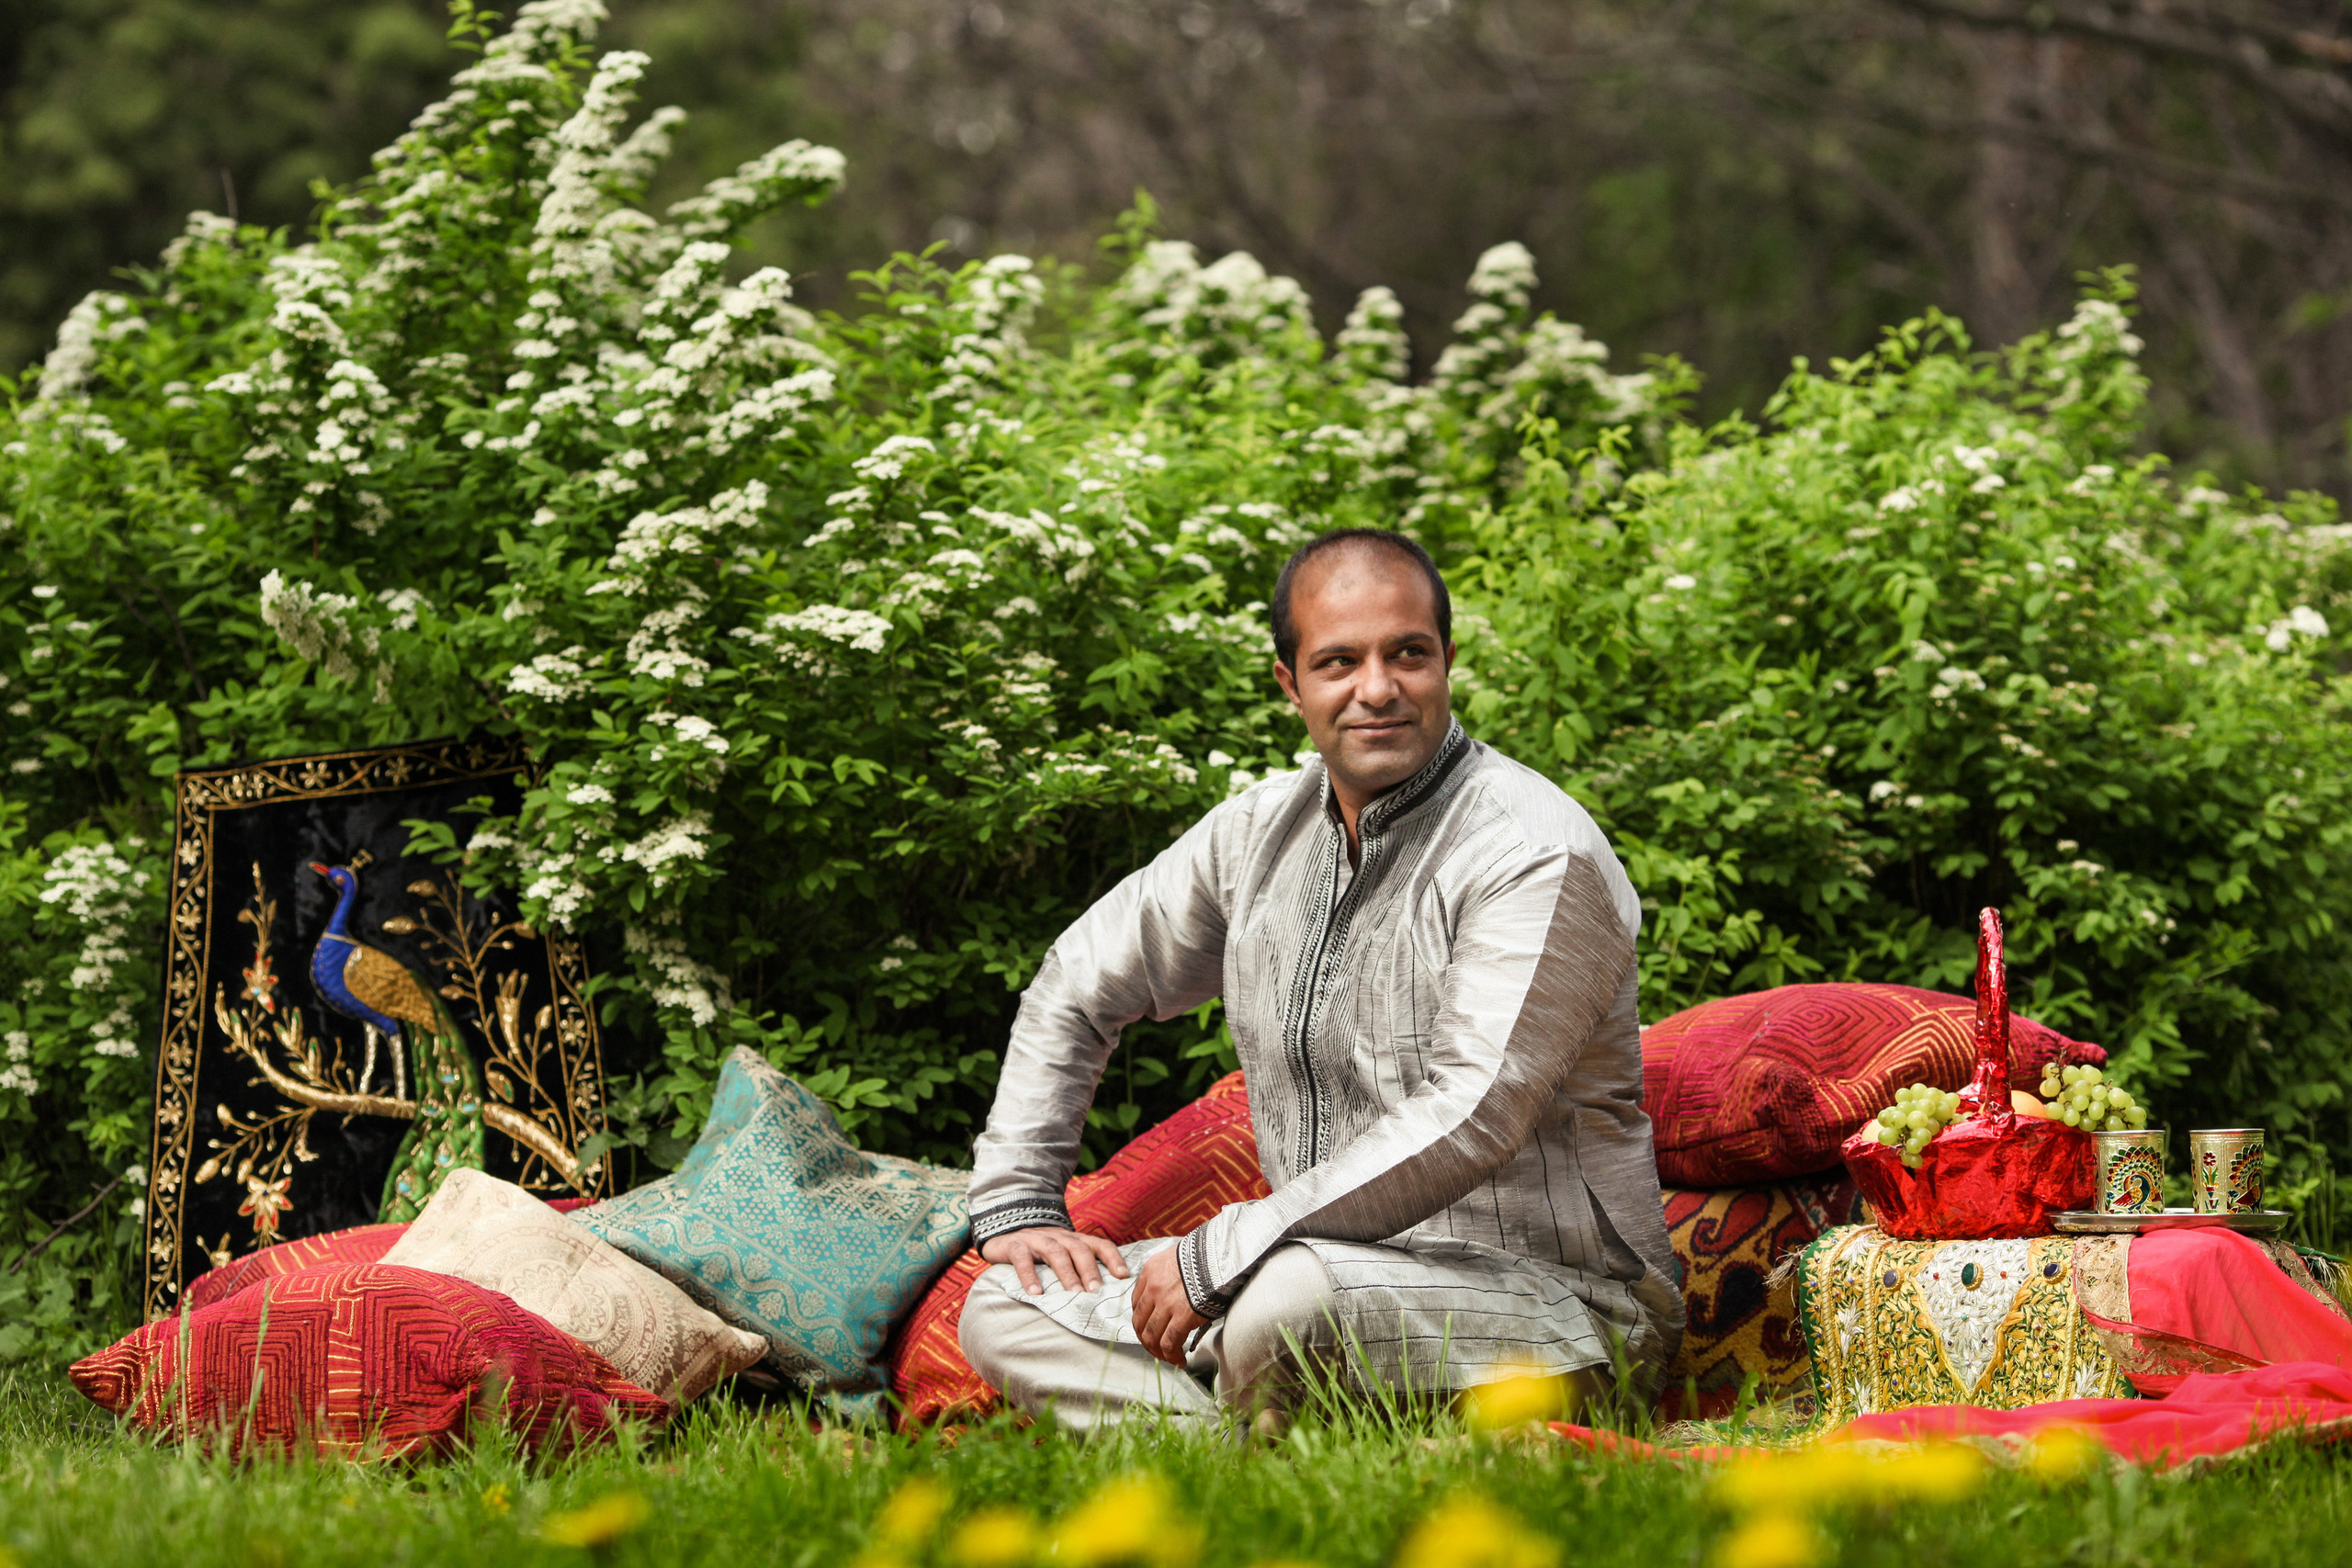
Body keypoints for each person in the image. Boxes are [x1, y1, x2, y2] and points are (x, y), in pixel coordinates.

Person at [957, 527, 1681, 1431]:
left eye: (1406, 655)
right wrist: (1021, 1197)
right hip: (1303, 1267)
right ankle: (1233, 1456)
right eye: (1338, 661)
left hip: (1558, 1308)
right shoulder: (1255, 833)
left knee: (1285, 1307)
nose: (1376, 689)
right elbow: (1078, 978)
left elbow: (1474, 1109)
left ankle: (1222, 1435)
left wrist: (1226, 1251)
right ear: (1289, 683)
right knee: (1005, 1304)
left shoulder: (1533, 849)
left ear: (1447, 662)